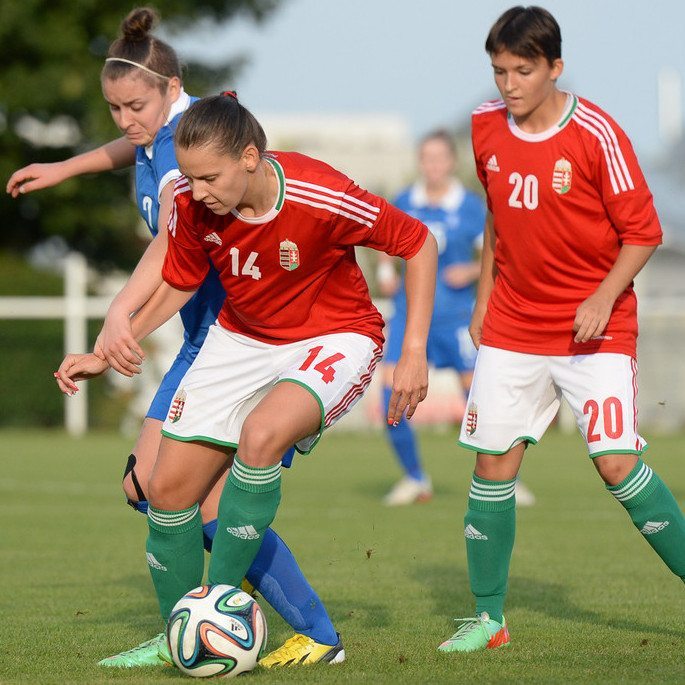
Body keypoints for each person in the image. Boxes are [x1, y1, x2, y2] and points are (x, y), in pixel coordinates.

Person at [9, 7, 346, 669]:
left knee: (187, 495)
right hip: (208, 338)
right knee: (158, 489)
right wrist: (67, 167)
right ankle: (197, 625)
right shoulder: (163, 129)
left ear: (172, 89)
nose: (125, 120)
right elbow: (130, 148)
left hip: (241, 340)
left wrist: (118, 324)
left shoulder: (179, 155)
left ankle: (302, 633)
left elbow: (175, 255)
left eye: (134, 105)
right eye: (113, 107)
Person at [55, 93, 437, 664]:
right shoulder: (190, 200)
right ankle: (182, 639)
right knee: (166, 492)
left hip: (334, 336)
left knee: (260, 437)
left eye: (209, 177)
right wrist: (111, 348)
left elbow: (418, 243)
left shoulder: (320, 193)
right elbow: (182, 279)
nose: (197, 190)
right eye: (187, 176)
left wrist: (413, 351)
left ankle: (226, 608)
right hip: (240, 338)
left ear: (251, 158)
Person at [438, 5, 685, 654]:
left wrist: (604, 295)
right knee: (493, 464)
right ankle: (488, 619)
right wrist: (484, 295)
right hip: (513, 328)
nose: (509, 84)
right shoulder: (485, 128)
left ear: (555, 67)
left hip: (592, 331)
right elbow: (496, 215)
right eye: (498, 71)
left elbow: (644, 231)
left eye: (523, 70)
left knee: (614, 463)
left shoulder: (596, 133)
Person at [378, 130, 536, 507]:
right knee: (390, 397)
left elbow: (496, 256)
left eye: (439, 158)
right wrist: (386, 271)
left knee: (480, 401)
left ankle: (506, 478)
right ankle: (415, 478)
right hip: (410, 316)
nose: (433, 165)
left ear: (451, 162)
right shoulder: (404, 201)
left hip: (456, 319)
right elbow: (384, 243)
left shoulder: (469, 205)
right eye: (426, 158)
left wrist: (467, 272)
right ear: (420, 162)